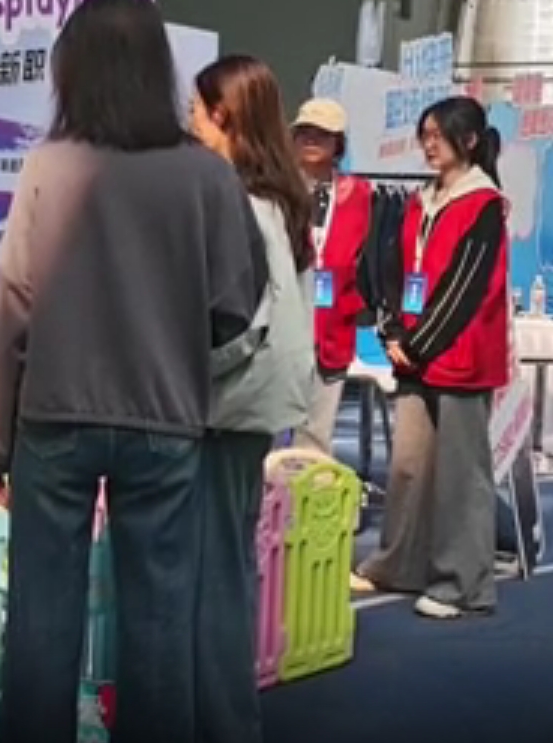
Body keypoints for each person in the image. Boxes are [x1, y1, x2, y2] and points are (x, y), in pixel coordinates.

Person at [0, 0, 265, 743]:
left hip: (55, 419)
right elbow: (237, 304)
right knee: (160, 619)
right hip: (166, 421)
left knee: (42, 618)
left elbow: (11, 307)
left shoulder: (49, 165)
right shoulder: (206, 175)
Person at [190, 55, 316, 743]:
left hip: (229, 401)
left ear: (226, 116)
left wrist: (178, 374)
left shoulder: (239, 202)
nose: (190, 120)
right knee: (229, 562)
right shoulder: (283, 199)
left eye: (197, 108)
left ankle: (223, 719)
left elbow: (237, 324)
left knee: (214, 572)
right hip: (258, 402)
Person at [351, 96, 510, 620]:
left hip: (460, 356)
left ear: (469, 141)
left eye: (438, 135)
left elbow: (468, 288)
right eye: (425, 135)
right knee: (408, 467)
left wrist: (417, 344)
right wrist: (394, 329)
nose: (428, 144)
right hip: (415, 353)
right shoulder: (422, 200)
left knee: (461, 476)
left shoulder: (484, 204)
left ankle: (463, 583)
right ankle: (399, 563)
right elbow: (397, 271)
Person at [292, 98, 371, 454]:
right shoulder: (276, 188)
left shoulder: (359, 194)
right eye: (304, 132)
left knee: (315, 439)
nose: (311, 140)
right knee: (263, 434)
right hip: (282, 328)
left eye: (322, 134)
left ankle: (305, 491)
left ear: (338, 142)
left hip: (332, 329)